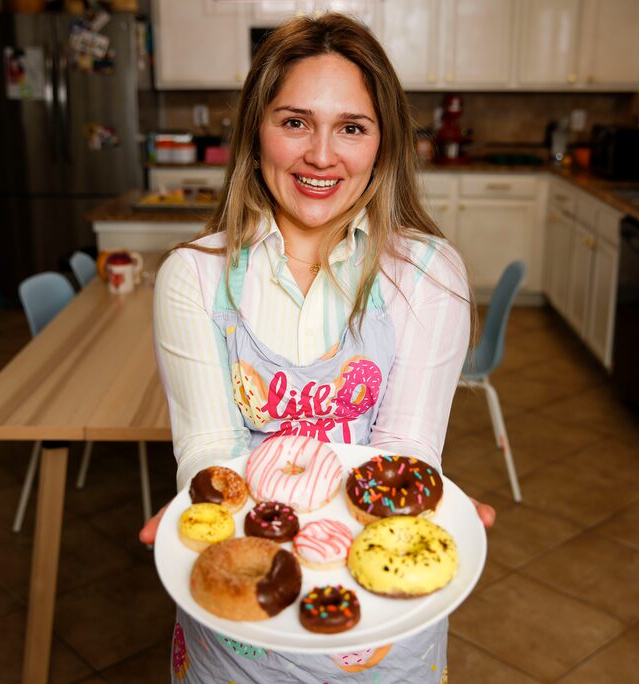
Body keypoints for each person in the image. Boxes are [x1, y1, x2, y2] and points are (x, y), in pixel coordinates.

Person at [140, 12, 495, 683]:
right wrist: (202, 511)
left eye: (351, 128)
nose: (322, 156)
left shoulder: (427, 275)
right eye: (295, 121)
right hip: (237, 632)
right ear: (255, 132)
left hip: (382, 633)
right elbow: (213, 460)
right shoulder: (194, 276)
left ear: (383, 145)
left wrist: (433, 507)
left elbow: (405, 458)